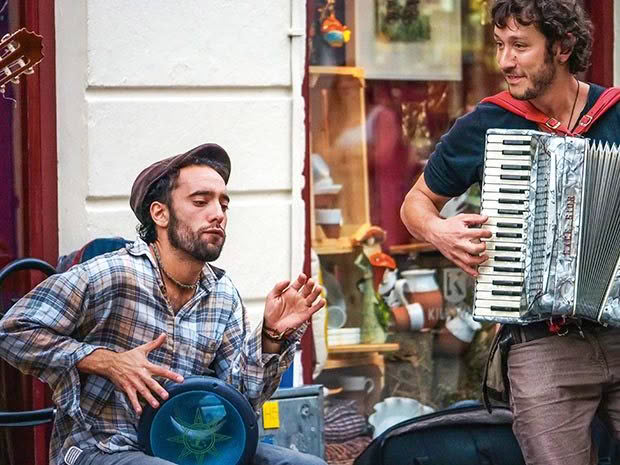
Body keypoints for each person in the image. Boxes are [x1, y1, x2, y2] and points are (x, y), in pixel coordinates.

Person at [0, 143, 328, 465]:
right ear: (159, 213)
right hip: (101, 447)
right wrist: (106, 362)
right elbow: (12, 332)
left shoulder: (222, 295)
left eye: (223, 205)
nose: (217, 214)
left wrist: (271, 336)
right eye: (201, 201)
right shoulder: (113, 274)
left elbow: (238, 401)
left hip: (188, 447)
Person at [400, 1, 620, 464]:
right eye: (500, 45)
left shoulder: (614, 115)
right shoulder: (488, 123)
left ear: (562, 47)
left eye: (520, 46)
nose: (504, 61)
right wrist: (440, 232)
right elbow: (414, 204)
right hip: (542, 344)